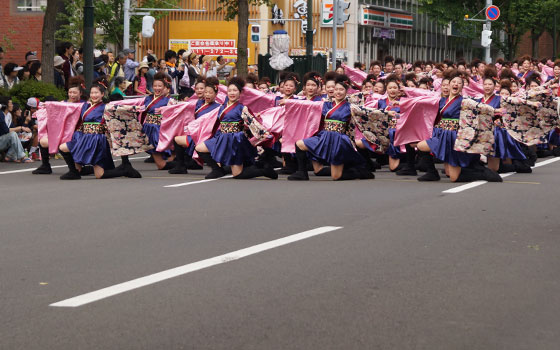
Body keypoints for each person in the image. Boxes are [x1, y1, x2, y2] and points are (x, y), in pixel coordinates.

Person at [414, 70, 502, 182]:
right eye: (453, 82)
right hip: (441, 135)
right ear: (449, 85)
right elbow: (421, 99)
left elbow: (479, 106)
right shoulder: (441, 100)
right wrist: (401, 103)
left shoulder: (464, 101)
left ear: (462, 87)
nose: (456, 84)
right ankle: (432, 173)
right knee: (421, 146)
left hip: (454, 138)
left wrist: (495, 110)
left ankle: (482, 173)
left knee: (454, 178)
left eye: (459, 83)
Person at [288, 75, 368, 181]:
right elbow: (307, 104)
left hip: (339, 140)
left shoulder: (350, 107)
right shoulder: (326, 104)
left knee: (336, 176)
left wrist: (388, 113)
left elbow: (370, 113)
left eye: (341, 89)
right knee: (300, 144)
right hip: (324, 136)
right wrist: (289, 102)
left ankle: (358, 172)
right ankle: (302, 173)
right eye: (336, 89)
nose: (338, 92)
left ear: (346, 91)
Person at [195, 77, 278, 180]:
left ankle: (264, 171)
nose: (232, 93)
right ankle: (217, 170)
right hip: (221, 137)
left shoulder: (242, 108)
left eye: (235, 90)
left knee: (237, 175)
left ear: (240, 93)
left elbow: (253, 123)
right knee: (199, 148)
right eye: (229, 90)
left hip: (235, 140)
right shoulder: (222, 107)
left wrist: (264, 133)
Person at [58, 80, 139, 180]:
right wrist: (50, 105)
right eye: (92, 93)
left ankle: (124, 170)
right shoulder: (85, 105)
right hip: (83, 137)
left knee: (99, 175)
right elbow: (67, 107)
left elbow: (124, 107)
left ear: (102, 94)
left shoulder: (107, 107)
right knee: (62, 147)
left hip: (97, 140)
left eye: (96, 93)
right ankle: (74, 172)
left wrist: (138, 108)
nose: (94, 95)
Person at [33, 77, 87, 175]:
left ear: (80, 93)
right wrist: (48, 106)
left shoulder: (84, 105)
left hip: (77, 135)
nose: (72, 95)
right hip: (62, 134)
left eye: (74, 93)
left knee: (80, 171)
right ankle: (45, 166)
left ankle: (79, 169)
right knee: (43, 141)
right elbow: (53, 109)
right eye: (70, 92)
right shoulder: (63, 103)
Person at [170, 77, 222, 174]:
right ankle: (181, 166)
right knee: (177, 139)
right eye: (206, 92)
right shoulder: (198, 103)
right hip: (195, 135)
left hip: (207, 136)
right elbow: (184, 109)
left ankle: (214, 168)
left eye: (210, 93)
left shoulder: (218, 107)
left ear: (216, 94)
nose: (207, 94)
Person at [0, 96, 32, 163]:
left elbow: (13, 128)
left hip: (3, 140)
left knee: (20, 135)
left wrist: (23, 127)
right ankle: (23, 156)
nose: (12, 105)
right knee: (13, 134)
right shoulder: (1, 115)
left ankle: (9, 156)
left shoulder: (8, 115)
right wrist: (21, 128)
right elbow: (6, 130)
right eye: (10, 104)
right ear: (4, 105)